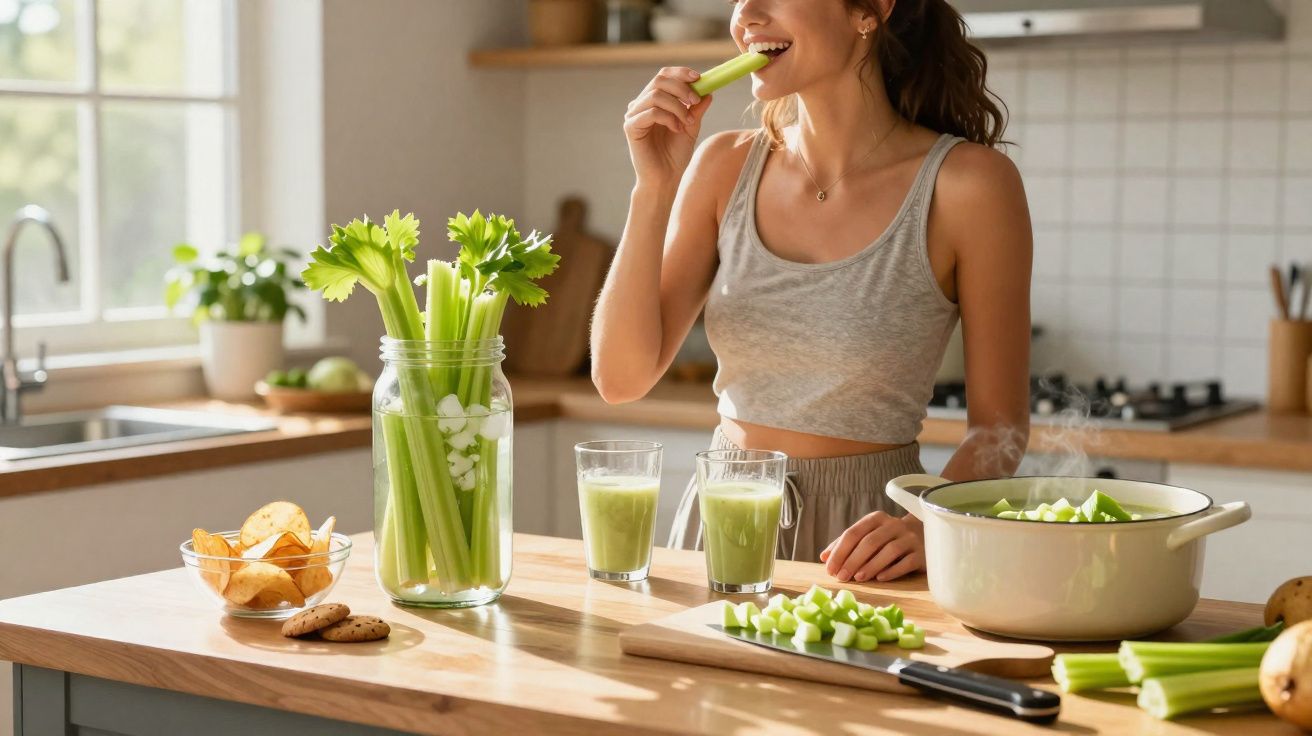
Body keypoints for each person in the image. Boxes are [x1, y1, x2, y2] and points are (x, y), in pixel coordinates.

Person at [589, 0, 1032, 583]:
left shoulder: (969, 185)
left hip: (867, 547)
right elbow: (620, 380)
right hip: (722, 524)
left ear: (869, 11)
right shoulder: (723, 166)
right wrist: (652, 187)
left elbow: (1001, 430)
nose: (746, 13)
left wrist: (930, 522)